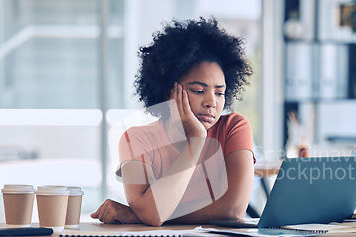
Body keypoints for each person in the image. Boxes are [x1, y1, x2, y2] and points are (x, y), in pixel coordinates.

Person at [91, 17, 255, 226]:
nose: (211, 102)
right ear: (169, 91)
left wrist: (143, 213)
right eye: (198, 91)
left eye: (220, 93)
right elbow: (152, 214)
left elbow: (233, 209)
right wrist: (195, 140)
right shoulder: (135, 140)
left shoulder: (234, 128)